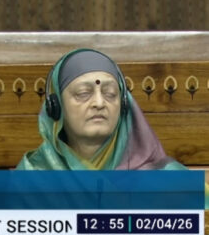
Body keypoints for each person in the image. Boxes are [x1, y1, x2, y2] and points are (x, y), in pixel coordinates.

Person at [17, 48, 186, 170]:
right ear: (56, 106)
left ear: (124, 104)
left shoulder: (167, 180)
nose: (99, 103)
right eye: (83, 93)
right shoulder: (31, 178)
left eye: (110, 94)